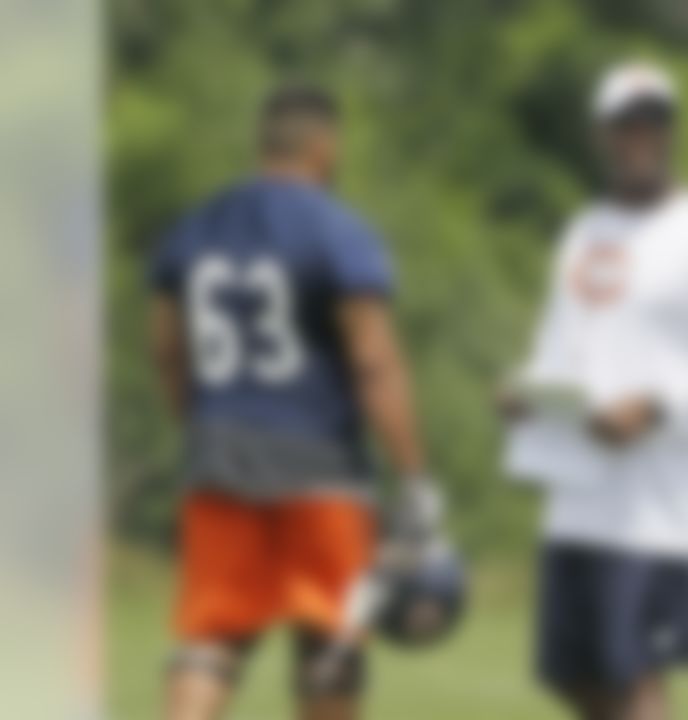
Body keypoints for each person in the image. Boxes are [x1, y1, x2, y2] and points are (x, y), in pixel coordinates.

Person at [149, 85, 444, 720]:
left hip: (219, 458)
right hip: (322, 470)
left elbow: (167, 352)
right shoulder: (339, 229)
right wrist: (414, 474)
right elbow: (373, 361)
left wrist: (200, 430)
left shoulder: (196, 226)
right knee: (329, 650)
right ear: (322, 147)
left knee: (210, 642)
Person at [503, 61, 688, 720]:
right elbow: (560, 346)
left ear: (670, 132)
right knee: (572, 679)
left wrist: (659, 405)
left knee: (637, 684)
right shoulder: (582, 231)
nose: (641, 137)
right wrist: (527, 392)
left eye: (654, 122)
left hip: (662, 511)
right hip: (579, 499)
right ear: (602, 134)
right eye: (627, 124)